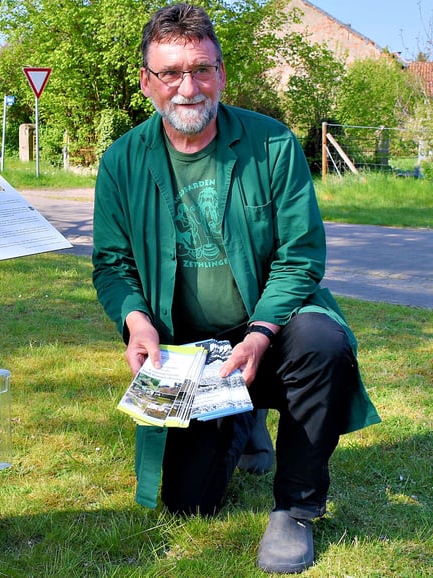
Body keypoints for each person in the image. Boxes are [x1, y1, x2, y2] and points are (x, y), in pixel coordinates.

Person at [91, 4, 381, 574]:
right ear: (148, 82)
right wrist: (136, 320)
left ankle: (295, 508)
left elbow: (301, 257)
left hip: (272, 327)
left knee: (324, 342)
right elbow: (111, 265)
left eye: (201, 69)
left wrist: (259, 332)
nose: (188, 87)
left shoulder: (272, 145)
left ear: (221, 74)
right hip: (193, 355)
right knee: (187, 503)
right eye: (171, 73)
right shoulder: (122, 160)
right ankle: (244, 422)